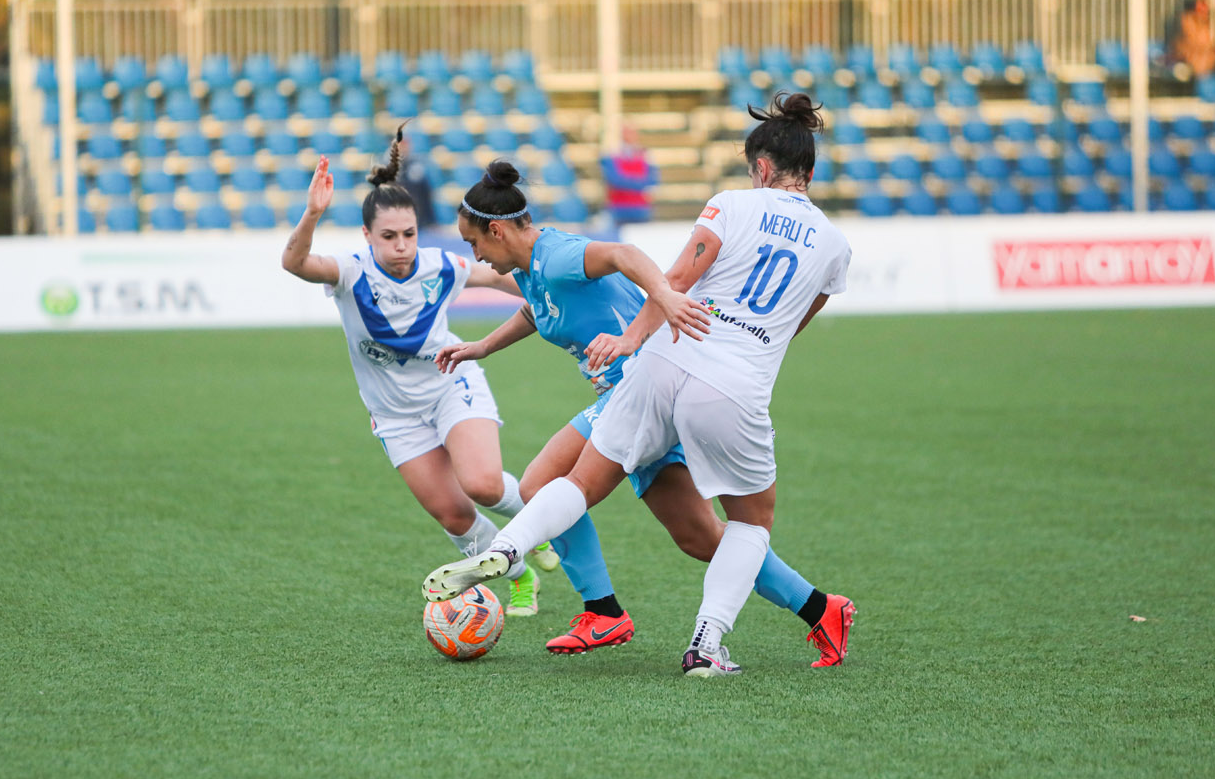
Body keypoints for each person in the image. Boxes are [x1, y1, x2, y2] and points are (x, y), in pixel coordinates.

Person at [426, 114, 857, 672]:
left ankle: (523, 559)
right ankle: (705, 631)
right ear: (811, 172)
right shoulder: (835, 245)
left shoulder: (730, 205)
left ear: (762, 168)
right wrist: (484, 346)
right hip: (723, 385)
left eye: (474, 243)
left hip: (655, 369)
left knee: (587, 493)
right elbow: (791, 324)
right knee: (722, 532)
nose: (477, 254)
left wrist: (632, 338)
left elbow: (668, 277)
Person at [281, 128, 555, 616]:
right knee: (454, 515)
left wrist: (552, 293)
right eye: (388, 237)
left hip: (451, 385)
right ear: (367, 236)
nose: (401, 246)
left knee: (484, 485)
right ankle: (520, 576)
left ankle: (540, 527)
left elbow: (501, 277)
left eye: (408, 234)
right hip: (395, 416)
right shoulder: (349, 271)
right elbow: (295, 263)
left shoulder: (439, 265)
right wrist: (313, 213)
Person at [599, 124, 656, 225]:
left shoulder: (646, 155)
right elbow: (615, 181)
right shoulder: (611, 155)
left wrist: (626, 181)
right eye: (626, 132)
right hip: (619, 209)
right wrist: (639, 182)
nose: (629, 135)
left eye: (632, 132)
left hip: (640, 209)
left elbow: (652, 181)